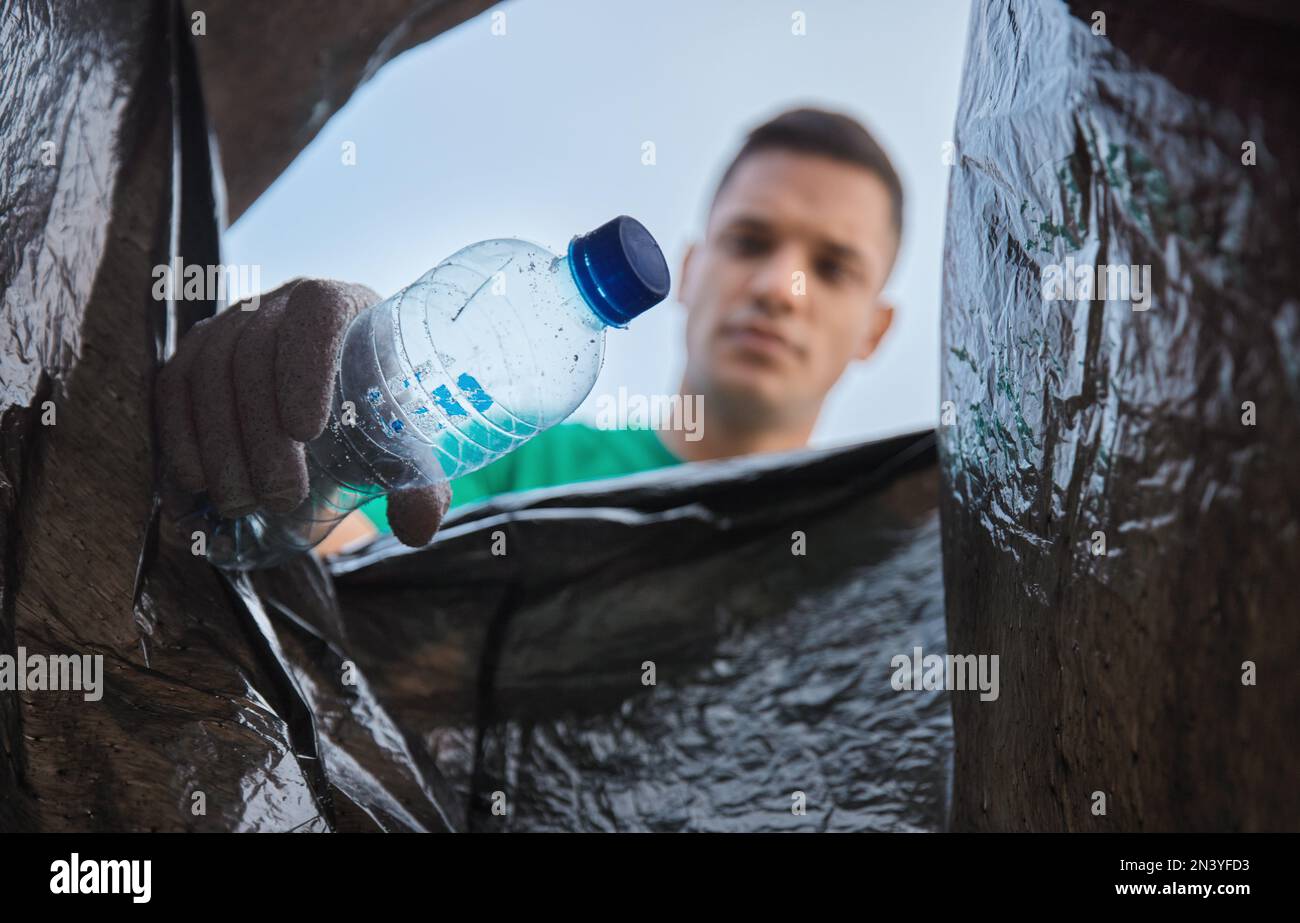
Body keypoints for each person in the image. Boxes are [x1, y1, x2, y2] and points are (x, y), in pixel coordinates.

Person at [157, 107, 903, 557]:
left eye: (833, 267)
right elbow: (339, 547)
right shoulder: (524, 464)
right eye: (749, 242)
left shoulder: (877, 552)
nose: (780, 287)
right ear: (692, 268)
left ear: (876, 330)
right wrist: (307, 428)